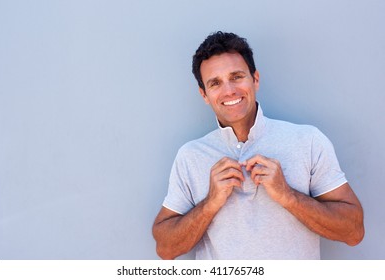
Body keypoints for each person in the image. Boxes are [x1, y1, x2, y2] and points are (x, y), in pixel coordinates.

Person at [152, 31, 364, 260]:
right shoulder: (190, 156)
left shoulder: (308, 141)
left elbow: (353, 232)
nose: (229, 91)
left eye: (236, 76)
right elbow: (165, 248)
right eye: (215, 83)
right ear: (204, 94)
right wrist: (210, 204)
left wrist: (288, 196)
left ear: (255, 79)